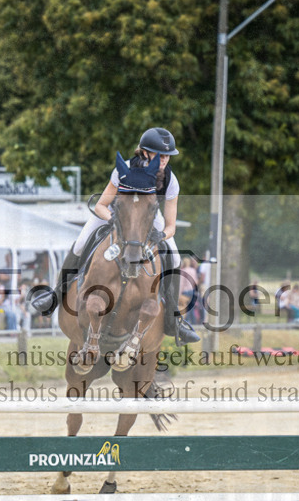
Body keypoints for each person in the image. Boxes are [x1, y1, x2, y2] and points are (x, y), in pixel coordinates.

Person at [29, 127, 199, 344]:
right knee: (81, 243)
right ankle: (55, 295)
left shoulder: (170, 180)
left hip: (148, 215)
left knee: (174, 257)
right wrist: (116, 221)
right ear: (145, 152)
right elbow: (101, 205)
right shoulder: (124, 169)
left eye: (167, 155)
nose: (164, 160)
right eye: (160, 154)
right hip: (114, 213)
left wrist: (162, 235)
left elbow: (171, 225)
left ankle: (174, 319)